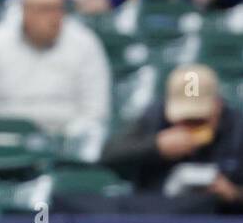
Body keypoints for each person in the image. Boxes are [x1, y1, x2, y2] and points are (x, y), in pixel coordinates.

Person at [0, 0, 111, 136]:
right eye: (46, 9)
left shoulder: (85, 43)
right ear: (26, 10)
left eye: (59, 8)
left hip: (68, 145)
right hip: (8, 145)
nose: (55, 18)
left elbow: (95, 113)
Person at [102, 63, 243, 212]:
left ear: (217, 105)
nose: (191, 127)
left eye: (199, 120)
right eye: (185, 119)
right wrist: (155, 146)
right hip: (158, 218)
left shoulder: (237, 129)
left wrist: (233, 194)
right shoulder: (154, 119)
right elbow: (109, 155)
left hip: (222, 222)